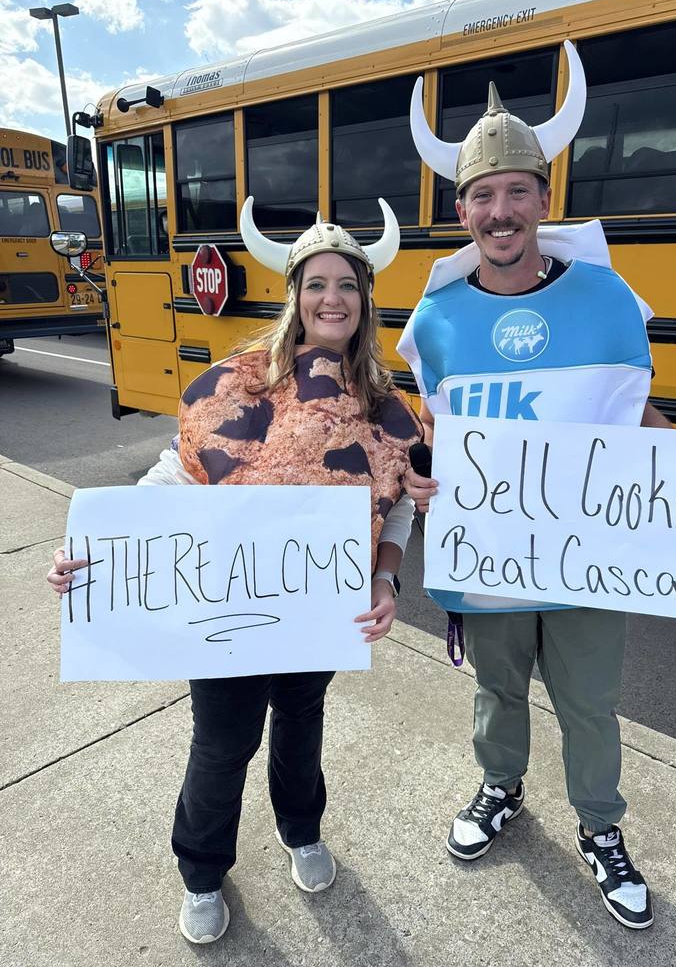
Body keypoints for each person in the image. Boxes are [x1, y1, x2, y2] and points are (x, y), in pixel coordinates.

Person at [398, 41, 676, 931]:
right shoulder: (434, 317)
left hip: (589, 557)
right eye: (483, 195)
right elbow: (436, 426)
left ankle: (600, 828)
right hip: (494, 557)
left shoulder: (604, 297)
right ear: (462, 209)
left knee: (590, 701)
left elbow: (636, 413)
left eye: (518, 191)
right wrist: (426, 480)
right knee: (496, 689)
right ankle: (500, 787)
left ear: (545, 201)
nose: (501, 210)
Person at [47, 197, 422, 945]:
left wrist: (385, 579)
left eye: (346, 284)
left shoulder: (386, 404)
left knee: (301, 724)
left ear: (365, 298)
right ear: (295, 295)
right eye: (316, 283)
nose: (332, 298)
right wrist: (97, 546)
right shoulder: (238, 384)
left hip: (319, 612)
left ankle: (301, 830)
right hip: (228, 611)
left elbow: (397, 506)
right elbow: (178, 477)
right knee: (222, 743)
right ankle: (200, 870)